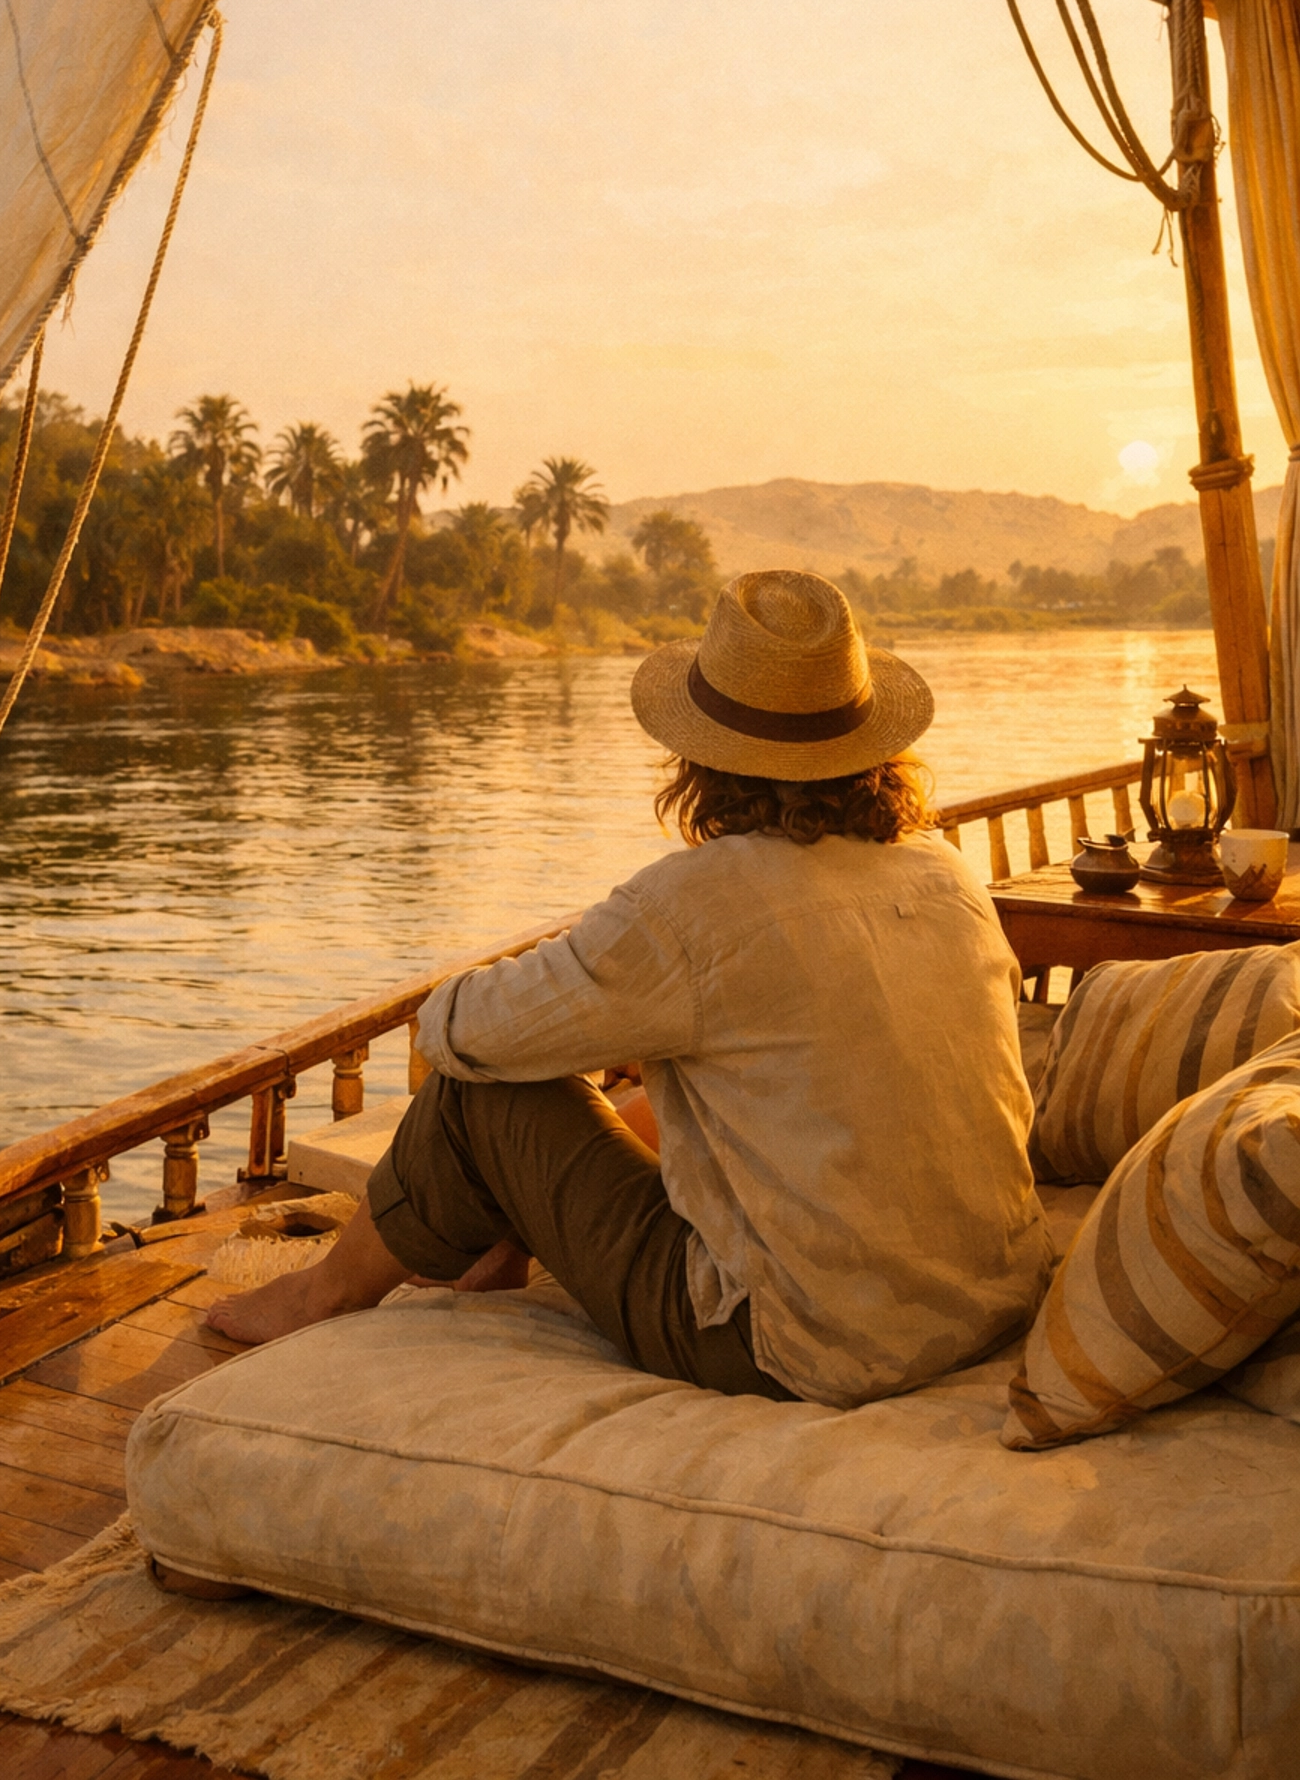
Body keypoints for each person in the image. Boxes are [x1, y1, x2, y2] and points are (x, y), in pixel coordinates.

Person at [207, 570, 1051, 1407]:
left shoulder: (695, 904)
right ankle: (501, 1241)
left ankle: (321, 1296)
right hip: (990, 1301)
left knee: (484, 1092)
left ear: (704, 760)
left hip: (805, 1346)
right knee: (596, 1053)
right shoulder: (946, 874)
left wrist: (608, 1010)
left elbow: (452, 1030)